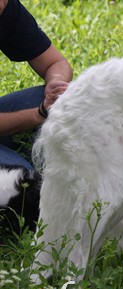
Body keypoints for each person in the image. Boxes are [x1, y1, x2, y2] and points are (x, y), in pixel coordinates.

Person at [0, 0, 72, 170]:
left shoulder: (7, 9)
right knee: (20, 176)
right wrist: (38, 114)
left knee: (61, 100)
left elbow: (55, 62)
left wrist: (55, 85)